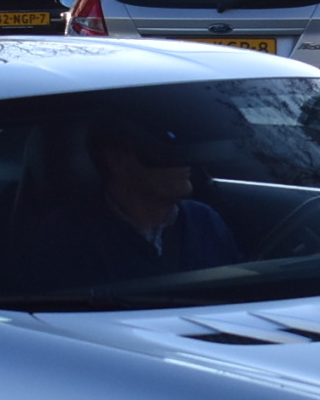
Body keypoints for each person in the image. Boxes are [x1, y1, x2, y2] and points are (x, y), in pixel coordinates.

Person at [22, 117, 242, 293]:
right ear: (117, 160)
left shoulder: (204, 220)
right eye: (164, 151)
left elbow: (237, 291)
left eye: (182, 148)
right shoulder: (68, 235)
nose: (182, 161)